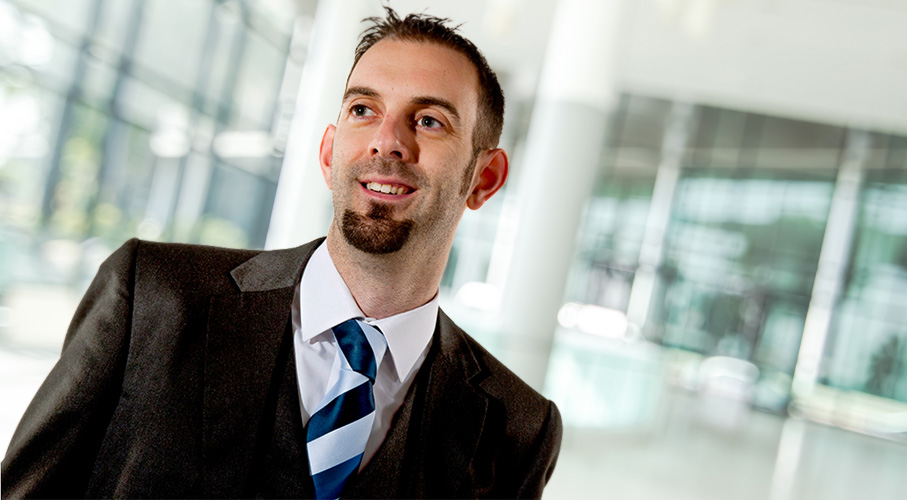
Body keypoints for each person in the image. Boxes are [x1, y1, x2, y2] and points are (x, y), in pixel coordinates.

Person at [1, 7, 562, 499]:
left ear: (484, 179)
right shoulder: (151, 295)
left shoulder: (518, 428)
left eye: (429, 121)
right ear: (328, 152)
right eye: (363, 109)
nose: (387, 140)